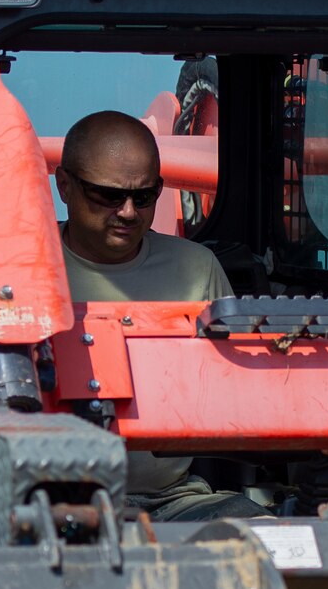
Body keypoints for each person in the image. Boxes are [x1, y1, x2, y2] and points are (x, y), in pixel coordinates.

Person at [56, 109, 262, 520]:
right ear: (64, 185)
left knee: (269, 541)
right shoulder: (23, 269)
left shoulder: (196, 268)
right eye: (109, 195)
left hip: (171, 500)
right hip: (49, 500)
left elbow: (241, 389)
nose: (129, 212)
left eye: (144, 196)